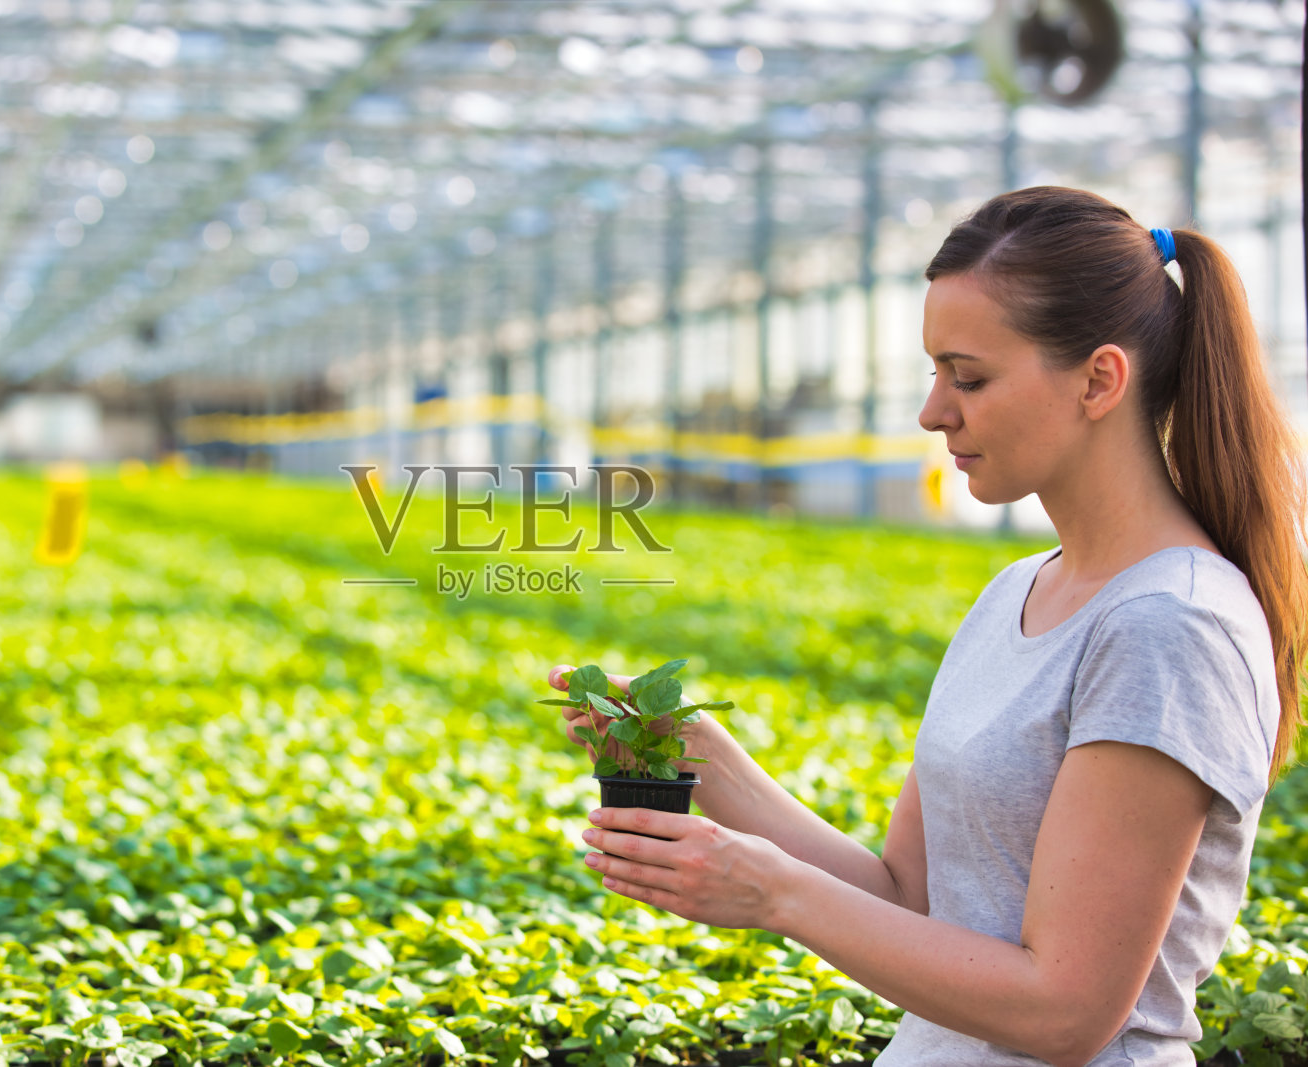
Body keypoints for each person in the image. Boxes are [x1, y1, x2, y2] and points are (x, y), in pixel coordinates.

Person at [548, 186, 1307, 1066]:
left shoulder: (1170, 626)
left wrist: (774, 893)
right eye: (935, 371)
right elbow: (908, 898)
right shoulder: (1017, 592)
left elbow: (1067, 1010)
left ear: (1099, 379)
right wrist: (708, 764)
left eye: (969, 375)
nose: (933, 410)